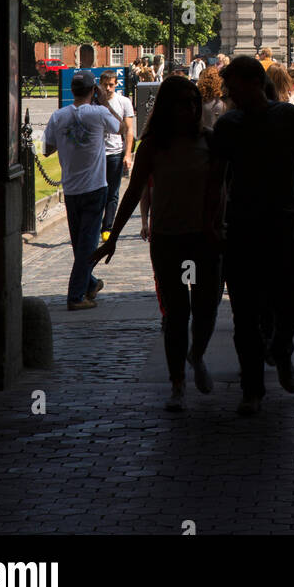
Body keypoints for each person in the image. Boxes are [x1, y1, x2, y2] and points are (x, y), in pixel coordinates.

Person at [92, 76, 225, 410]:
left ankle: (197, 354)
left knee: (207, 307)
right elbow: (134, 190)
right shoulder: (153, 145)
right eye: (183, 102)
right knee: (177, 314)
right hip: (170, 240)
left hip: (204, 237)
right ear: (168, 107)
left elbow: (222, 189)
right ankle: (177, 382)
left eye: (194, 102)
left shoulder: (211, 141)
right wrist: (113, 237)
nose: (191, 108)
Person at [210, 56, 294, 415]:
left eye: (232, 88)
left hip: (281, 223)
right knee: (244, 315)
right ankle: (252, 390)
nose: (229, 95)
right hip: (242, 226)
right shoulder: (228, 125)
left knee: (292, 303)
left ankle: (281, 349)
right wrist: (211, 221)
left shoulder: (289, 117)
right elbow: (215, 180)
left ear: (251, 83)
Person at [43, 70, 121, 311]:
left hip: (71, 188)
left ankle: (91, 284)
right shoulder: (98, 113)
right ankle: (76, 296)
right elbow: (118, 126)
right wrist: (104, 101)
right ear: (92, 90)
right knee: (86, 245)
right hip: (95, 187)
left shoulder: (59, 116)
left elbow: (47, 148)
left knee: (80, 243)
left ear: (72, 90)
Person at [98, 71, 134, 237]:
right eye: (105, 84)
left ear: (116, 84)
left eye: (111, 84)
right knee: (98, 192)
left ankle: (108, 227)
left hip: (115, 153)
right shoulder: (95, 102)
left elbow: (129, 130)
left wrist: (127, 154)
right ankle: (96, 225)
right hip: (97, 155)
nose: (108, 88)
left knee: (112, 192)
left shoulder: (123, 101)